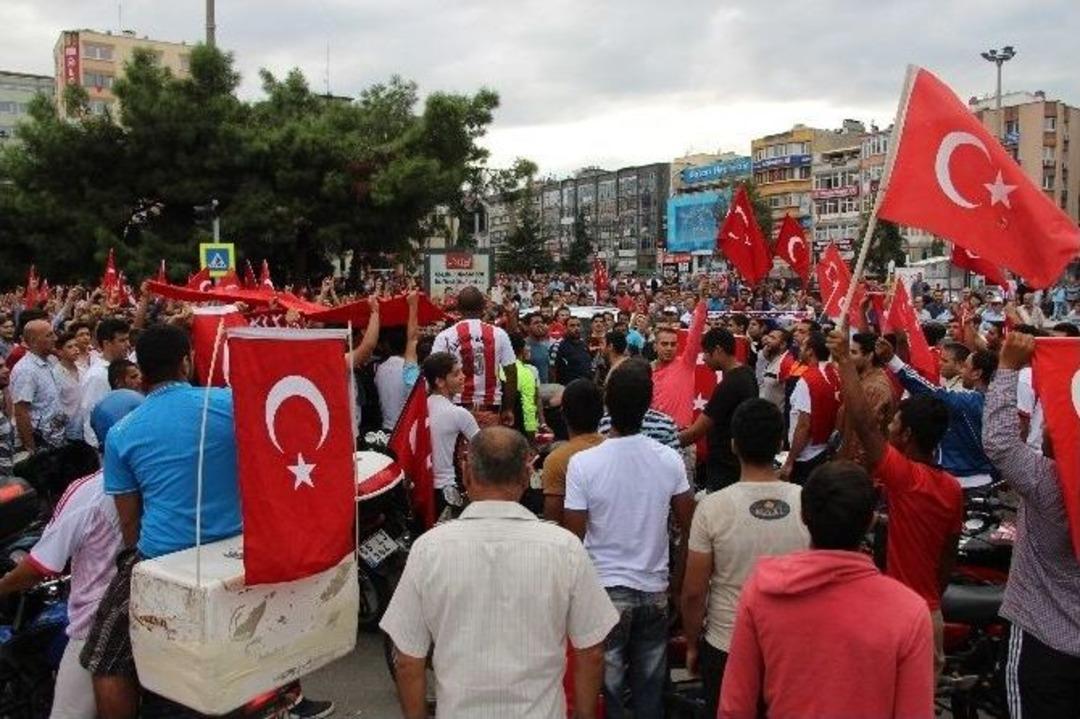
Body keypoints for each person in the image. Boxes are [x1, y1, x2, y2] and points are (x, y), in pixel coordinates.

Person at [381, 427, 618, 719]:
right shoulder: (564, 548)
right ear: (525, 476)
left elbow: (407, 660)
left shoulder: (429, 550)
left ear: (466, 474)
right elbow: (591, 652)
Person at [79, 325, 243, 719]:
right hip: (239, 551)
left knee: (105, 657)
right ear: (186, 361)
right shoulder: (231, 403)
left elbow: (130, 524)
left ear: (142, 371)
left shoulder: (121, 433)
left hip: (164, 560)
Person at [718, 461, 934, 719]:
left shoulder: (762, 591)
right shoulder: (908, 612)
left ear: (803, 515)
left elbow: (735, 707)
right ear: (870, 522)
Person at [564, 359, 695, 718]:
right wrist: (678, 582)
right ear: (649, 404)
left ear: (608, 405)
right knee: (650, 692)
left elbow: (572, 538)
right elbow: (690, 526)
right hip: (654, 590)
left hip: (602, 592)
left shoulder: (583, 464)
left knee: (609, 695)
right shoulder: (669, 459)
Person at [0, 389, 141, 719]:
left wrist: (4, 585)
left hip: (99, 619)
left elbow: (40, 565)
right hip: (162, 607)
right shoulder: (169, 479)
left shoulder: (90, 491)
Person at [829, 330, 962, 680]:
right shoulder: (950, 488)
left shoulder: (904, 478)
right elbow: (946, 556)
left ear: (907, 437)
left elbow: (863, 424)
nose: (888, 427)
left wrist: (843, 359)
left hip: (900, 616)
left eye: (894, 423)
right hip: (930, 613)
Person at [681, 399, 809, 718]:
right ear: (779, 443)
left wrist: (693, 644)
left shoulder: (712, 508)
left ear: (734, 445)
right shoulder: (807, 501)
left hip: (727, 644)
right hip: (792, 648)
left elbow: (694, 591)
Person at [983, 332, 1080, 718]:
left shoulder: (1048, 483)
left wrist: (1007, 368)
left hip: (1042, 643)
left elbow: (1001, 443)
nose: (1047, 428)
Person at [879, 333, 997, 490]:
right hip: (985, 479)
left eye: (966, 368)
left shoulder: (970, 401)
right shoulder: (997, 400)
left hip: (962, 480)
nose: (962, 372)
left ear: (977, 373)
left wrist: (893, 360)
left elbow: (929, 391)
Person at [678, 328, 758, 492]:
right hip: (738, 464)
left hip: (725, 469)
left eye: (706, 353)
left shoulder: (729, 385)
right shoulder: (748, 373)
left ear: (718, 350)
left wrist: (662, 441)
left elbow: (696, 432)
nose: (704, 358)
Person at [431, 286, 517, 428]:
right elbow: (511, 372)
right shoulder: (499, 334)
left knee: (460, 449)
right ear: (483, 306)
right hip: (491, 406)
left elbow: (433, 373)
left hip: (455, 404)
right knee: (487, 447)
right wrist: (508, 408)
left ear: (457, 307)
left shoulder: (445, 336)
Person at [422, 351, 480, 517]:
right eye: (456, 374)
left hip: (422, 489)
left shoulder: (420, 408)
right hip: (447, 489)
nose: (463, 376)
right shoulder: (457, 413)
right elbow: (485, 447)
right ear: (439, 381)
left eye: (461, 371)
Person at [779, 332, 840, 485]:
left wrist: (790, 461)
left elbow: (804, 426)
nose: (799, 350)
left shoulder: (808, 380)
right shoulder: (834, 373)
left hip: (806, 456)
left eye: (803, 346)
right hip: (825, 449)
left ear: (810, 351)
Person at [541, 379, 604, 526]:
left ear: (563, 414)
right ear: (602, 413)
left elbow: (553, 522)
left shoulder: (557, 460)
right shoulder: (613, 450)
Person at [836, 332, 896, 466]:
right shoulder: (863, 380)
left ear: (869, 356)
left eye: (853, 352)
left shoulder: (873, 389)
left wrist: (850, 467)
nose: (848, 357)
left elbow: (861, 437)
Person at [650, 294, 706, 430]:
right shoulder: (645, 371)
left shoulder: (685, 364)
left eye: (673, 344)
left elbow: (696, 333)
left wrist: (702, 300)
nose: (669, 348)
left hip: (682, 437)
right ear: (655, 346)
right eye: (664, 344)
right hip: (653, 436)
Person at [9, 318, 66, 453]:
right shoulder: (26, 370)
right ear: (34, 341)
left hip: (56, 440)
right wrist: (32, 449)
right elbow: (21, 412)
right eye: (49, 335)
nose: (55, 338)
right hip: (42, 445)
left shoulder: (50, 361)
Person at [78, 318, 132, 448]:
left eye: (127, 339)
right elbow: (90, 416)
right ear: (107, 343)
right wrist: (100, 448)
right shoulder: (97, 375)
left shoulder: (125, 367)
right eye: (122, 340)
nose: (128, 344)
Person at [509, 333, 543, 439]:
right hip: (524, 424)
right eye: (526, 345)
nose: (528, 348)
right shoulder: (530, 371)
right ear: (521, 349)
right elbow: (534, 401)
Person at [754, 327, 790, 412]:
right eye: (769, 336)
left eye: (773, 338)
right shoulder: (767, 359)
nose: (768, 340)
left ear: (782, 345)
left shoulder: (785, 363)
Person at [553, 316, 592, 385]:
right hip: (567, 388)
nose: (576, 328)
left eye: (578, 325)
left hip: (586, 387)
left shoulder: (584, 345)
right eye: (572, 326)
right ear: (565, 328)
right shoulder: (558, 346)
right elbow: (552, 370)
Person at [524, 311, 553, 383]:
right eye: (536, 323)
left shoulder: (546, 345)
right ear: (527, 327)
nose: (540, 325)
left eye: (542, 322)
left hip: (545, 389)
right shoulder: (523, 346)